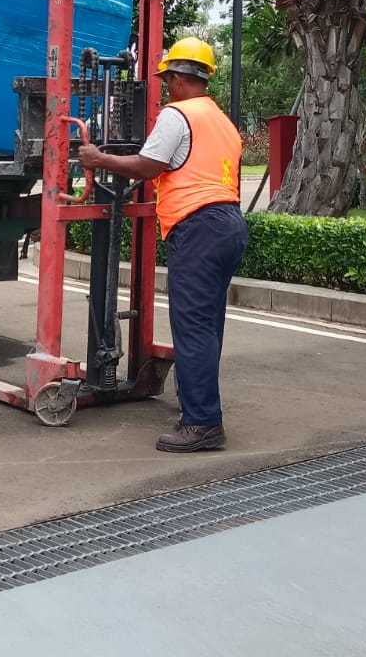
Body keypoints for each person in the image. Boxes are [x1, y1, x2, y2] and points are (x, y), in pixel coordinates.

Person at [77, 37, 247, 453]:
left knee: (192, 329)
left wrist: (99, 159)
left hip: (199, 225)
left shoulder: (177, 114)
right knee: (207, 327)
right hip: (229, 224)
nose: (166, 86)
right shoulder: (221, 120)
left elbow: (149, 165)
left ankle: (203, 423)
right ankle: (199, 410)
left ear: (177, 77)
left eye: (167, 78)